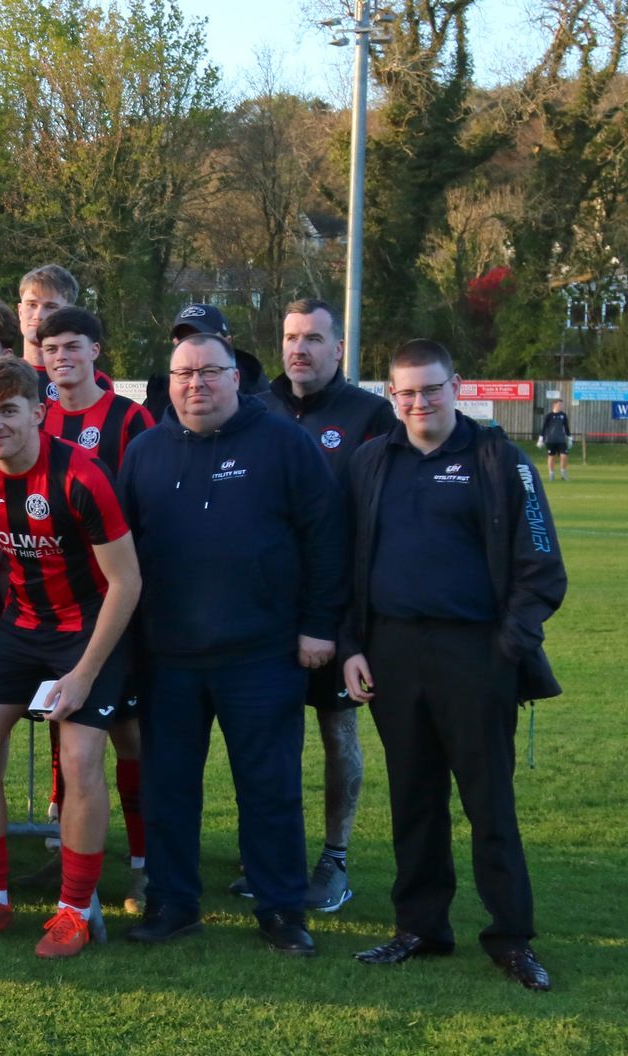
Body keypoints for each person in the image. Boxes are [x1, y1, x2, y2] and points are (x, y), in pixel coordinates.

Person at [343, 340, 564, 991]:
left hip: (476, 653)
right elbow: (344, 561)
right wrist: (352, 644)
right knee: (413, 798)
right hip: (391, 652)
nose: (420, 402)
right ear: (391, 395)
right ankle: (421, 926)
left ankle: (511, 935)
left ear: (456, 386)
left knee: (488, 801)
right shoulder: (369, 462)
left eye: (431, 388)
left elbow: (542, 565)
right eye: (407, 392)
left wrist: (507, 646)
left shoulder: (499, 459)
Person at [117, 332, 343, 956]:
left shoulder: (284, 443)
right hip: (168, 658)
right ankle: (173, 901)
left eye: (210, 372)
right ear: (168, 381)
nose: (196, 384)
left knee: (269, 789)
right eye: (183, 373)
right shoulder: (144, 453)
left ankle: (281, 909)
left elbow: (325, 537)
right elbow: (121, 558)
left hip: (262, 655)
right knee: (168, 787)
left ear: (236, 378)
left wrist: (319, 625)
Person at [0, 356, 140, 959]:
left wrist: (83, 674)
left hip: (90, 631)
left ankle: (74, 909)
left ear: (38, 412)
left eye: (7, 411)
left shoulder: (83, 476)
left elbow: (127, 584)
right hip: (22, 628)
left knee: (80, 760)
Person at [254, 297, 397, 913]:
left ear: (339, 349)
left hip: (338, 609)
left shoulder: (370, 414)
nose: (299, 349)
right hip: (262, 612)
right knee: (266, 736)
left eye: (313, 338)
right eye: (290, 337)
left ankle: (334, 858)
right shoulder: (256, 407)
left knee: (338, 734)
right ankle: (275, 854)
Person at [34, 308, 155, 913]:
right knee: (64, 730)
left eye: (72, 346)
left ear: (95, 352)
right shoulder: (34, 415)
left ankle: (143, 864)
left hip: (115, 604)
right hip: (52, 607)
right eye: (50, 348)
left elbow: (146, 507)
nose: (61, 357)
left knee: (129, 736)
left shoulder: (131, 419)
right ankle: (68, 851)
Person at [142, 304, 264, 419]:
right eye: (184, 340)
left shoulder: (260, 398)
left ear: (227, 342)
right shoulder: (158, 399)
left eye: (203, 339)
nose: (192, 347)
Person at [539, 400, 570, 480]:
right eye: (560, 405)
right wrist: (541, 438)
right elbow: (544, 427)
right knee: (551, 457)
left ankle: (563, 473)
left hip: (561, 440)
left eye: (562, 405)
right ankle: (551, 474)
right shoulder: (549, 415)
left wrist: (569, 437)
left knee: (564, 456)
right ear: (555, 405)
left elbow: (566, 427)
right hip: (551, 440)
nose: (561, 406)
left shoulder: (563, 415)